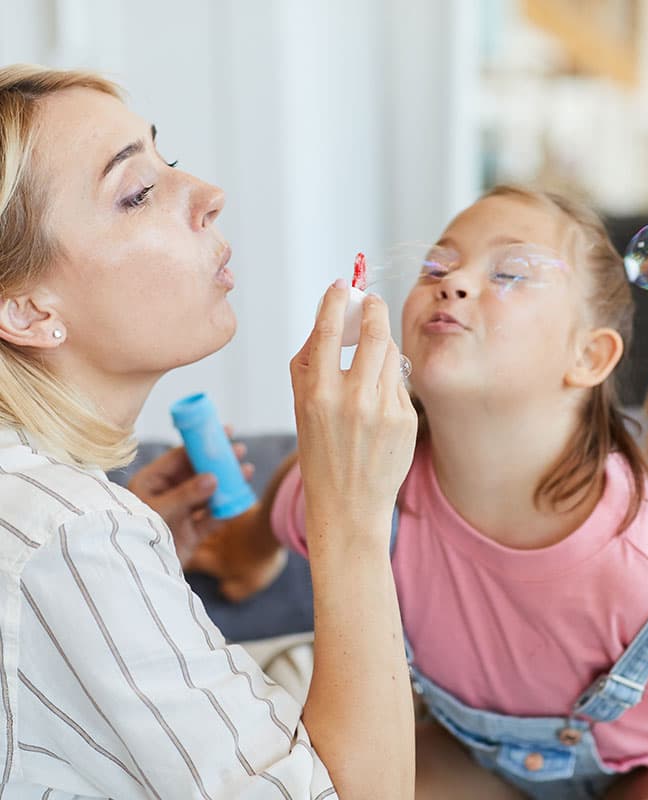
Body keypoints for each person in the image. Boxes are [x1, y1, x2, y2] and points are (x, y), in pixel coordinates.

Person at [180, 186, 648, 799]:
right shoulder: (371, 492)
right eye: (437, 266)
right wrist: (248, 552)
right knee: (352, 782)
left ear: (588, 357)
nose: (451, 283)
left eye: (509, 272)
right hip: (474, 754)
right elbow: (295, 493)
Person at [0, 64, 418, 799]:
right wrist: (351, 516)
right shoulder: (72, 535)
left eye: (170, 161)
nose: (210, 196)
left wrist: (141, 563)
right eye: (136, 193)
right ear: (29, 311)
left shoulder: (63, 521)